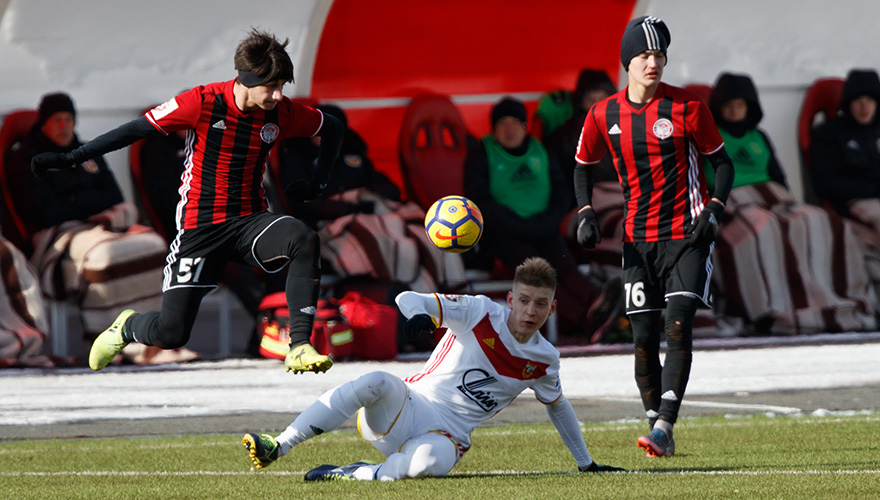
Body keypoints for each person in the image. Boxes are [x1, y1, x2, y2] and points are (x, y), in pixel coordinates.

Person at [30, 29, 344, 373]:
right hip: (201, 227)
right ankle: (126, 326)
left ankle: (298, 345)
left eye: (282, 85)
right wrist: (71, 156)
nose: (277, 94)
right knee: (171, 332)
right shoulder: (202, 101)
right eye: (270, 86)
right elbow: (134, 130)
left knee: (303, 239)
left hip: (250, 221)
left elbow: (332, 128)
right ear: (246, 78)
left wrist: (318, 182)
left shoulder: (281, 111)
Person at [241, 256, 623, 480]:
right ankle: (280, 444)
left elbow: (558, 407)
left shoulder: (544, 360)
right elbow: (408, 298)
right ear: (510, 298)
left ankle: (354, 474)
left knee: (429, 465)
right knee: (376, 380)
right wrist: (418, 317)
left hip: (449, 434)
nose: (530, 311)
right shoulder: (479, 311)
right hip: (406, 405)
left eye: (541, 304)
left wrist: (585, 464)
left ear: (552, 309)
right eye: (524, 300)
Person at [573, 16, 734, 457]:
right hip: (637, 240)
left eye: (660, 55)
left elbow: (723, 165)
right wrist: (586, 212)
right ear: (627, 61)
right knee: (642, 335)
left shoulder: (688, 108)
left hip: (687, 233)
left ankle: (664, 425)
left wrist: (714, 210)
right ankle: (656, 423)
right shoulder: (603, 113)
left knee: (677, 325)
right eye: (645, 55)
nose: (653, 63)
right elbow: (582, 166)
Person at [5, 92, 174, 361]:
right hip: (58, 238)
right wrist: (87, 202)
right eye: (57, 120)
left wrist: (72, 199)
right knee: (104, 258)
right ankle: (109, 338)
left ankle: (153, 336)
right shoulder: (27, 160)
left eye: (69, 120)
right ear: (43, 124)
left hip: (103, 227)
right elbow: (45, 211)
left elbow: (114, 197)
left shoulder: (88, 153)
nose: (63, 126)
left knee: (152, 245)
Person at [463, 96, 619, 341]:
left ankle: (601, 302)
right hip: (504, 234)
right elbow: (479, 201)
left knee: (563, 262)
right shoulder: (481, 154)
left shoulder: (541, 151)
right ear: (494, 128)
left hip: (542, 229)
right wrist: (519, 225)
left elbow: (561, 192)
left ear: (525, 127)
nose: (510, 129)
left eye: (516, 122)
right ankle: (587, 322)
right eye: (503, 123)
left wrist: (545, 223)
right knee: (538, 273)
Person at [811, 68, 880, 232]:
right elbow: (824, 182)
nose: (865, 107)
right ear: (848, 103)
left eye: (870, 100)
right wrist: (874, 189)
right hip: (854, 201)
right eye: (858, 101)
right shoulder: (830, 133)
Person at [705, 72, 787, 190]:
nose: (734, 111)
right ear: (719, 107)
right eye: (729, 105)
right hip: (726, 195)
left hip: (766, 191)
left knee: (810, 210)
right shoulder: (707, 135)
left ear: (748, 107)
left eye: (740, 105)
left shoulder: (759, 136)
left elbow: (778, 176)